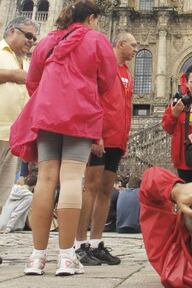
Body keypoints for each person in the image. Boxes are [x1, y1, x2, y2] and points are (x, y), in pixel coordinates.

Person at [9, 0, 117, 276]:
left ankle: (36, 257)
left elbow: (33, 79)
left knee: (45, 180)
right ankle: (67, 257)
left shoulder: (48, 41)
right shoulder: (97, 40)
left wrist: (50, 98)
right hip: (80, 112)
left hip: (47, 113)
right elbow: (107, 80)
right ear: (91, 18)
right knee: (71, 179)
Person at [75, 32, 137, 266]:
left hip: (117, 140)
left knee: (105, 191)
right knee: (90, 188)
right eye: (132, 45)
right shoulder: (103, 67)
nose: (135, 49)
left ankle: (96, 242)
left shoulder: (127, 73)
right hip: (98, 137)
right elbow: (93, 100)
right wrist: (95, 134)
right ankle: (79, 245)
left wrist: (125, 139)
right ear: (120, 44)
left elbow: (125, 107)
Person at [0, 16, 37, 211]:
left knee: (4, 191)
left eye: (34, 38)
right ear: (12, 31)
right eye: (28, 35)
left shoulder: (28, 63)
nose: (31, 41)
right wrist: (11, 75)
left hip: (14, 137)